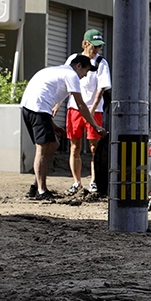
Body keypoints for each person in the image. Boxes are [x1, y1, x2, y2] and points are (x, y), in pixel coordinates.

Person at [20, 55, 104, 200]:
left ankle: (37, 184)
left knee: (53, 144)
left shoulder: (57, 71)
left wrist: (54, 126)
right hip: (38, 109)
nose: (84, 76)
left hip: (29, 107)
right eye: (85, 71)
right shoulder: (71, 75)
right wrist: (95, 125)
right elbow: (81, 105)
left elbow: (44, 97)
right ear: (78, 66)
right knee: (42, 148)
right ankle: (40, 190)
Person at [53, 29, 111, 195]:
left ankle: (94, 181)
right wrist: (58, 104)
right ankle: (76, 182)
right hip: (74, 108)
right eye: (94, 47)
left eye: (99, 47)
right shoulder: (73, 59)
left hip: (95, 109)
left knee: (95, 147)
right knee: (74, 146)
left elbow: (101, 88)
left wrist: (92, 109)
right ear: (85, 44)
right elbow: (64, 82)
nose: (96, 51)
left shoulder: (101, 63)